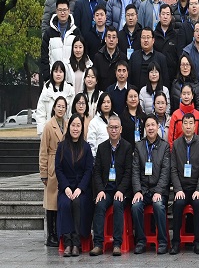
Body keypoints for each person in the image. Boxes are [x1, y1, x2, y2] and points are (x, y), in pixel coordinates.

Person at [89, 115, 132, 256]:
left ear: (121, 129)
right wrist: (100, 190)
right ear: (107, 129)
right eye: (111, 127)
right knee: (100, 204)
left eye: (116, 128)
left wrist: (121, 190)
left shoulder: (127, 147)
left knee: (118, 204)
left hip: (121, 190)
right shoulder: (102, 148)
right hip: (106, 190)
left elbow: (128, 172)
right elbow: (96, 172)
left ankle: (117, 244)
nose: (114, 130)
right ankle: (98, 244)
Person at [170, 113, 199, 255]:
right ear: (181, 126)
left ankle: (197, 243)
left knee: (198, 204)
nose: (188, 126)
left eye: (190, 123)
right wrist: (178, 189)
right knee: (178, 204)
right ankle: (175, 243)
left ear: (195, 125)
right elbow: (173, 169)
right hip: (182, 188)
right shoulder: (176, 144)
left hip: (196, 188)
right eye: (185, 123)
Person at [131, 113, 171, 255]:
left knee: (158, 205)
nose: (150, 128)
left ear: (158, 127)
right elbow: (135, 171)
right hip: (143, 189)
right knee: (136, 206)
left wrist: (158, 191)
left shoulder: (165, 146)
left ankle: (162, 242)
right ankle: (141, 241)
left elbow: (165, 172)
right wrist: (137, 191)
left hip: (159, 190)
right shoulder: (139, 146)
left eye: (153, 125)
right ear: (145, 128)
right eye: (148, 125)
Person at [56, 114, 93, 257]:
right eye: (73, 125)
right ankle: (67, 242)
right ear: (68, 126)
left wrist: (80, 188)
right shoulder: (61, 146)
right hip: (65, 188)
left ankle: (76, 243)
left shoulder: (86, 147)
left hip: (81, 189)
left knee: (77, 202)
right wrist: (65, 187)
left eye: (78, 125)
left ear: (82, 128)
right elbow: (58, 169)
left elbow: (89, 170)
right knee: (65, 204)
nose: (75, 128)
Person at [39, 96, 68, 247]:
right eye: (59, 106)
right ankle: (51, 235)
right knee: (51, 202)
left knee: (60, 201)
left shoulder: (67, 124)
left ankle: (59, 232)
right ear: (54, 107)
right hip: (52, 164)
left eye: (63, 106)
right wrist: (43, 172)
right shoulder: (48, 126)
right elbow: (43, 151)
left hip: (65, 164)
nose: (61, 109)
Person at [41, 0, 82, 82]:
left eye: (65, 10)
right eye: (60, 10)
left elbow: (81, 54)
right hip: (53, 78)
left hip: (72, 78)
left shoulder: (75, 31)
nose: (62, 13)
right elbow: (44, 57)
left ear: (69, 11)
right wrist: (47, 77)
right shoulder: (49, 33)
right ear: (56, 11)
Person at [36, 61, 75, 136]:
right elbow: (41, 113)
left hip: (66, 132)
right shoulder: (46, 90)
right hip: (49, 132)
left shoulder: (70, 90)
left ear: (64, 74)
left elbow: (72, 113)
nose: (58, 74)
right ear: (52, 73)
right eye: (56, 71)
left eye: (61, 72)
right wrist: (42, 133)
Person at [168, 83, 199, 148]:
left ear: (192, 96)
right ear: (180, 95)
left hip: (195, 150)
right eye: (184, 94)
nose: (186, 97)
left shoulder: (198, 115)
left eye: (188, 94)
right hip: (179, 150)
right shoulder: (175, 115)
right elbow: (171, 138)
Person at [153, 4, 178, 80]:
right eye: (163, 14)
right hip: (156, 72)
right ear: (159, 16)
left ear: (171, 17)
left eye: (167, 14)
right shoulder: (153, 35)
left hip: (171, 74)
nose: (165, 17)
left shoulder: (176, 35)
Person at [87, 92, 113, 157]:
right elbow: (91, 142)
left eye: (108, 102)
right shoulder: (94, 122)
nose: (106, 105)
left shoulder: (116, 119)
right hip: (99, 157)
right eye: (103, 102)